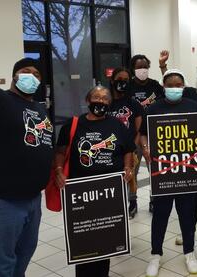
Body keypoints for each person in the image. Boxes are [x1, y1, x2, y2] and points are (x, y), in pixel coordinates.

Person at [0, 58, 54, 276]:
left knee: (22, 257)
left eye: (36, 74)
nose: (31, 76)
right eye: (25, 71)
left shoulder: (39, 109)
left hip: (33, 201)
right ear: (15, 75)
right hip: (1, 202)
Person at [54, 85, 135, 277]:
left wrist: (128, 167)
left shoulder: (117, 125)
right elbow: (60, 151)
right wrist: (58, 170)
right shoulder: (72, 125)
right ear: (87, 101)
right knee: (84, 243)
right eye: (96, 98)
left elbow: (128, 150)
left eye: (105, 99)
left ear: (110, 103)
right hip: (80, 193)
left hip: (110, 192)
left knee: (105, 241)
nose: (101, 101)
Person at [140, 69, 197, 277]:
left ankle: (190, 253)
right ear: (163, 87)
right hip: (164, 172)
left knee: (187, 214)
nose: (174, 88)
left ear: (183, 87)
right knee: (160, 215)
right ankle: (155, 254)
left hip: (187, 171)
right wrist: (146, 149)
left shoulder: (194, 107)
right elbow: (142, 136)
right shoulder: (153, 109)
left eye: (178, 85)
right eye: (170, 85)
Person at [129, 54, 164, 213]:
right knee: (132, 171)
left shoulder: (155, 85)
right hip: (133, 135)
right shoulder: (128, 87)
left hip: (153, 134)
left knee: (154, 171)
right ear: (133, 69)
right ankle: (132, 202)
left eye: (145, 66)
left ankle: (154, 200)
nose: (142, 70)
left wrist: (163, 67)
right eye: (138, 67)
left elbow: (169, 86)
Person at [108, 68, 144, 219]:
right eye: (119, 79)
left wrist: (133, 148)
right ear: (112, 81)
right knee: (114, 177)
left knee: (131, 176)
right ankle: (114, 203)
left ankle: (132, 203)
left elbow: (139, 129)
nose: (122, 82)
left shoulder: (134, 104)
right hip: (112, 148)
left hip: (132, 147)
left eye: (126, 80)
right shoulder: (107, 102)